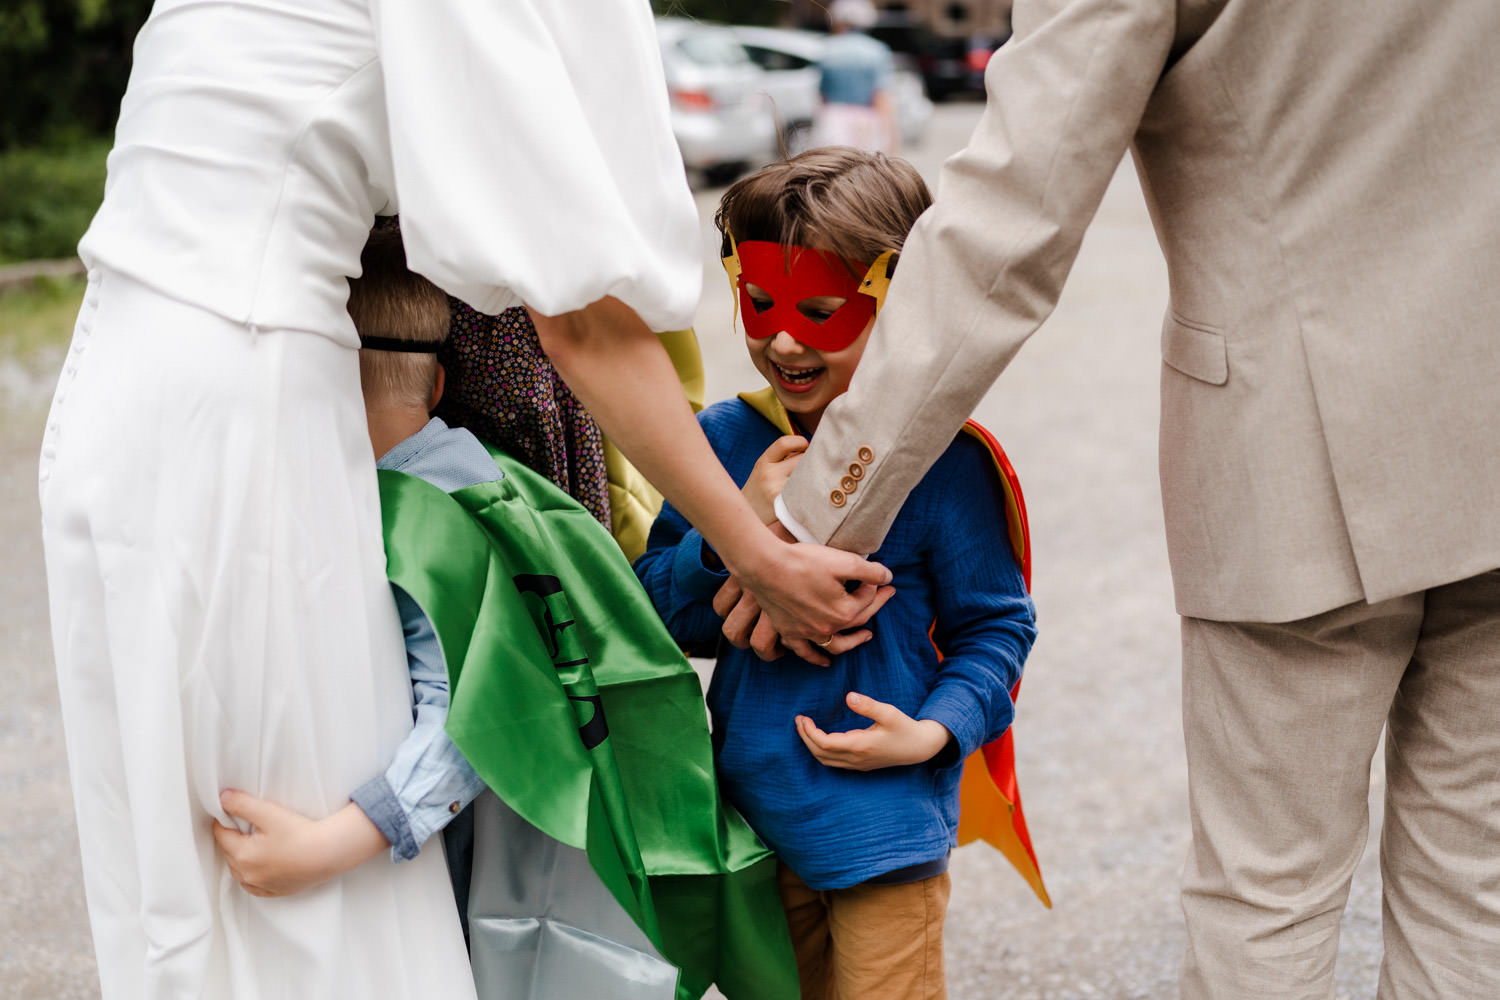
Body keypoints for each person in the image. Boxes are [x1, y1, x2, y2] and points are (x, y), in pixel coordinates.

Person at [37, 2, 882, 997]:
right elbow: (581, 319)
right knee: (305, 883)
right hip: (249, 398)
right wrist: (758, 552)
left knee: (179, 871)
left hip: (106, 399)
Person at [743, 1, 1500, 996]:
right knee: (1473, 884)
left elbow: (1012, 220)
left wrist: (809, 521)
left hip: (1298, 460)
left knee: (1267, 897)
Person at [213, 228, 796, 999]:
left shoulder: (417, 524)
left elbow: (473, 726)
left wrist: (329, 845)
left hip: (494, 849)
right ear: (442, 382)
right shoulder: (499, 477)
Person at [634, 148, 1037, 1000]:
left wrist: (934, 734)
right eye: (761, 303)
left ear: (897, 301)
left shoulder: (943, 463)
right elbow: (661, 616)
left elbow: (996, 625)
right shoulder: (718, 445)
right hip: (751, 821)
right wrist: (729, 526)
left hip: (886, 828)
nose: (782, 339)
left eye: (819, 310)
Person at [814, 0, 899, 153]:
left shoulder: (826, 48)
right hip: (866, 120)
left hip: (833, 118)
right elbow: (881, 96)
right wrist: (892, 137)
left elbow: (822, 95)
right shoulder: (877, 50)